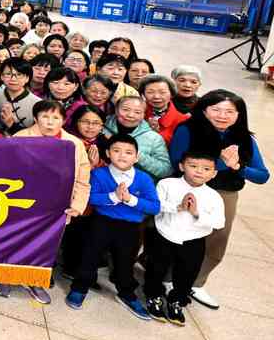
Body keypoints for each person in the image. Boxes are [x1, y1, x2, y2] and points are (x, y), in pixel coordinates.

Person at [168, 90, 269, 309]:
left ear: (239, 114)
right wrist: (222, 164)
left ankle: (197, 282)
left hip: (225, 194)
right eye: (216, 110)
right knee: (179, 232)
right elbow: (177, 161)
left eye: (230, 111)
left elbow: (262, 176)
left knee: (217, 238)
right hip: (189, 188)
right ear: (204, 110)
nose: (222, 116)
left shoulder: (245, 138)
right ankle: (168, 278)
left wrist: (237, 167)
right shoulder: (187, 129)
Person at [65, 134, 160, 320]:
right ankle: (80, 287)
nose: (122, 155)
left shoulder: (143, 178)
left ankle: (126, 293)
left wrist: (130, 199)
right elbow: (91, 198)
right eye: (116, 151)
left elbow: (154, 207)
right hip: (102, 222)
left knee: (125, 261)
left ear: (137, 157)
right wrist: (114, 197)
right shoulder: (99, 174)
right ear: (108, 153)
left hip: (131, 227)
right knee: (90, 256)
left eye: (128, 152)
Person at [12, 99, 92, 303]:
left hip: (56, 207)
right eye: (45, 116)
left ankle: (35, 281)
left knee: (46, 246)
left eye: (55, 117)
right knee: (15, 240)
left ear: (63, 120)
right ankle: (5, 277)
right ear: (36, 118)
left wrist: (77, 206)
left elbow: (83, 179)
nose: (50, 122)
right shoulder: (20, 138)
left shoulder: (74, 143)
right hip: (22, 203)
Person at [142, 150, 225, 326]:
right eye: (193, 166)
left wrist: (196, 213)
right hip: (165, 234)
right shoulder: (167, 184)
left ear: (214, 173)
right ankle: (154, 296)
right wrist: (178, 207)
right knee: (156, 268)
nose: (199, 171)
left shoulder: (214, 196)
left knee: (187, 273)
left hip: (193, 240)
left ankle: (177, 300)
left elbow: (219, 222)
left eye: (206, 169)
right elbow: (156, 205)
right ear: (181, 166)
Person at [104, 96, 172, 180]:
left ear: (143, 115)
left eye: (137, 112)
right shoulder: (101, 130)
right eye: (125, 109)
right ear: (116, 110)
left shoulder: (154, 138)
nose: (130, 115)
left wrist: (137, 155)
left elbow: (166, 170)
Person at [138, 74, 189, 145]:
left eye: (162, 92)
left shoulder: (183, 120)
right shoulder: (135, 115)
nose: (156, 96)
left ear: (171, 94)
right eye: (150, 92)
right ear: (143, 94)